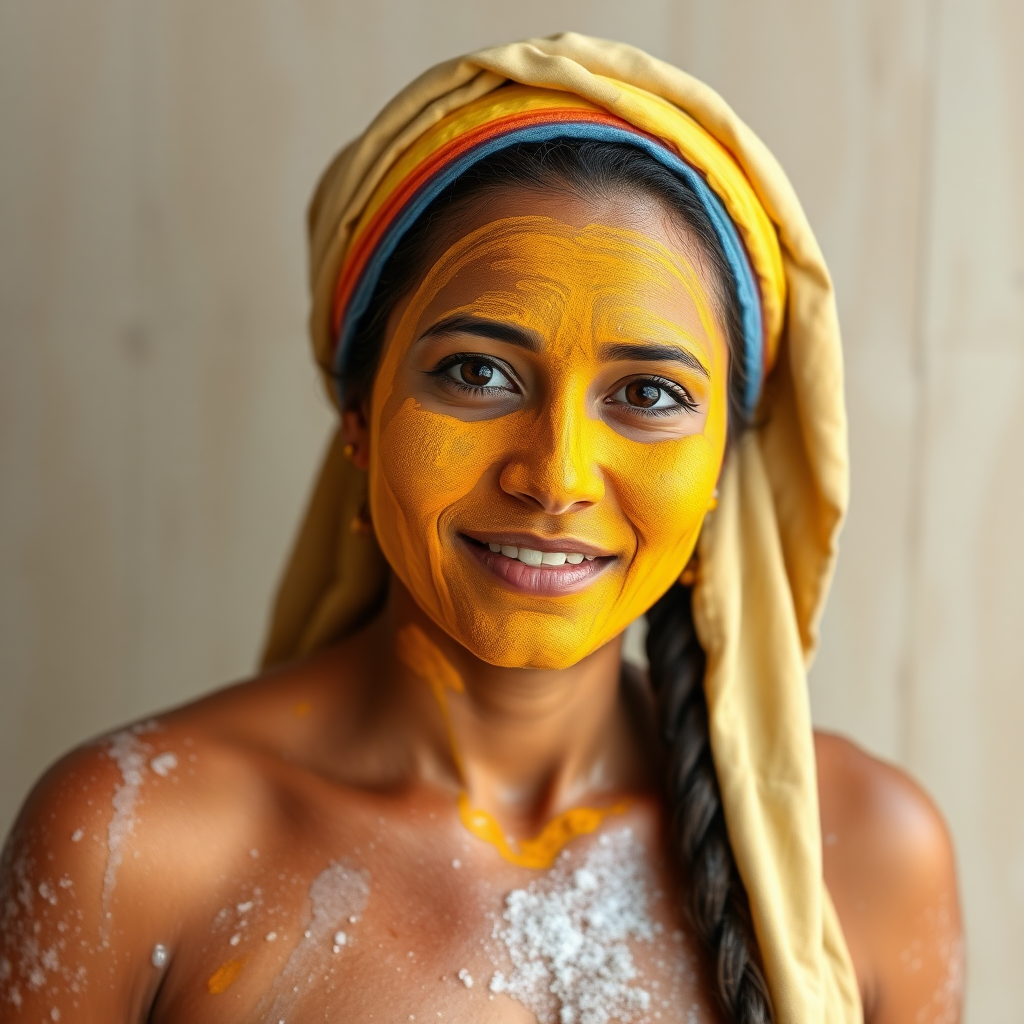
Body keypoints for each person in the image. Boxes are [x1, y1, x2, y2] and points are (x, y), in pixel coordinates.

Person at [0, 35, 962, 1024]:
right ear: (361, 420)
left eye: (646, 393)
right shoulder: (133, 845)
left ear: (720, 465)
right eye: (476, 372)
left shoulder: (871, 858)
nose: (554, 476)